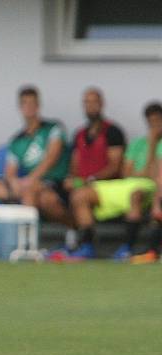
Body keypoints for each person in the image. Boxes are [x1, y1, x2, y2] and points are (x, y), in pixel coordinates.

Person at [63, 102, 161, 261]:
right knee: (80, 195)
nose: (154, 126)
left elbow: (152, 175)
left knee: (135, 195)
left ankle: (128, 248)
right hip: (124, 184)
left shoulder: (156, 144)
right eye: (151, 121)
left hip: (149, 188)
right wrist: (141, 171)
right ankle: (87, 246)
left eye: (158, 121)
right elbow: (126, 172)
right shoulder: (137, 143)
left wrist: (152, 145)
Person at [0, 86, 70, 227]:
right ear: (20, 107)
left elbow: (51, 158)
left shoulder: (53, 128)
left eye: (32, 103)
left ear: (38, 106)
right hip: (27, 184)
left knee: (30, 189)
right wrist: (13, 182)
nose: (29, 107)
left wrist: (30, 179)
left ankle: (26, 245)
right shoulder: (17, 140)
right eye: (25, 103)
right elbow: (10, 171)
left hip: (52, 184)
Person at [49, 88, 127, 260]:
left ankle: (87, 245)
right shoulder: (79, 134)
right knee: (51, 197)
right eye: (87, 102)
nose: (90, 106)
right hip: (83, 184)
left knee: (80, 196)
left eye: (94, 102)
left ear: (102, 104)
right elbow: (75, 164)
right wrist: (72, 179)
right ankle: (71, 238)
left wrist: (91, 179)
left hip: (106, 186)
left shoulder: (113, 132)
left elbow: (115, 166)